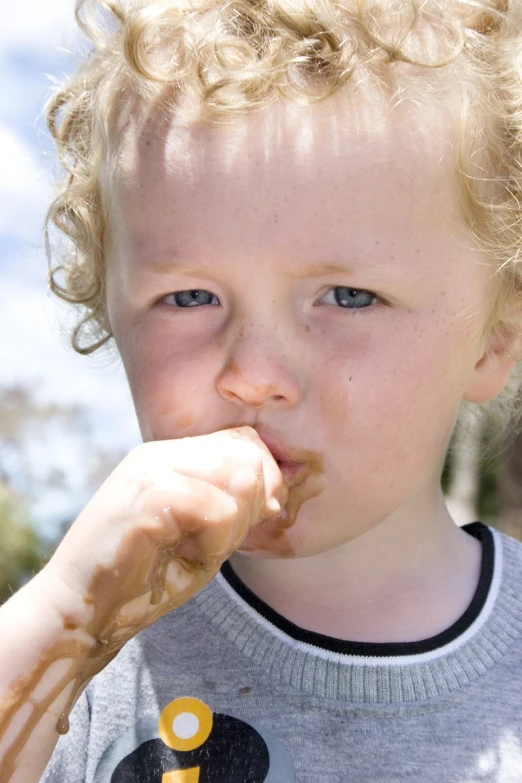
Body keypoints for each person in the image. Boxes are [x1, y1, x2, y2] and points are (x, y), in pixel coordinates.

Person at [2, 0, 522, 779]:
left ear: (493, 339)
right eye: (189, 298)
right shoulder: (82, 659)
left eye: (347, 296)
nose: (254, 374)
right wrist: (56, 626)